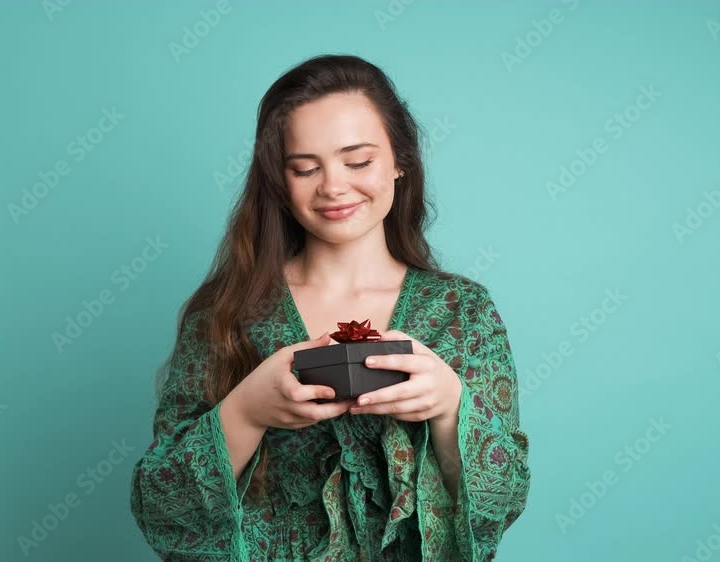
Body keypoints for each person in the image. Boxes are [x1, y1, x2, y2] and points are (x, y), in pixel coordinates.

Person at [129, 54, 530, 561]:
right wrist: (246, 412)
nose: (334, 187)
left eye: (358, 161)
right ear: (280, 178)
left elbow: (505, 498)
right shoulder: (228, 311)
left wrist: (450, 406)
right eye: (304, 168)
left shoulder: (461, 312)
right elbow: (160, 507)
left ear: (400, 159)